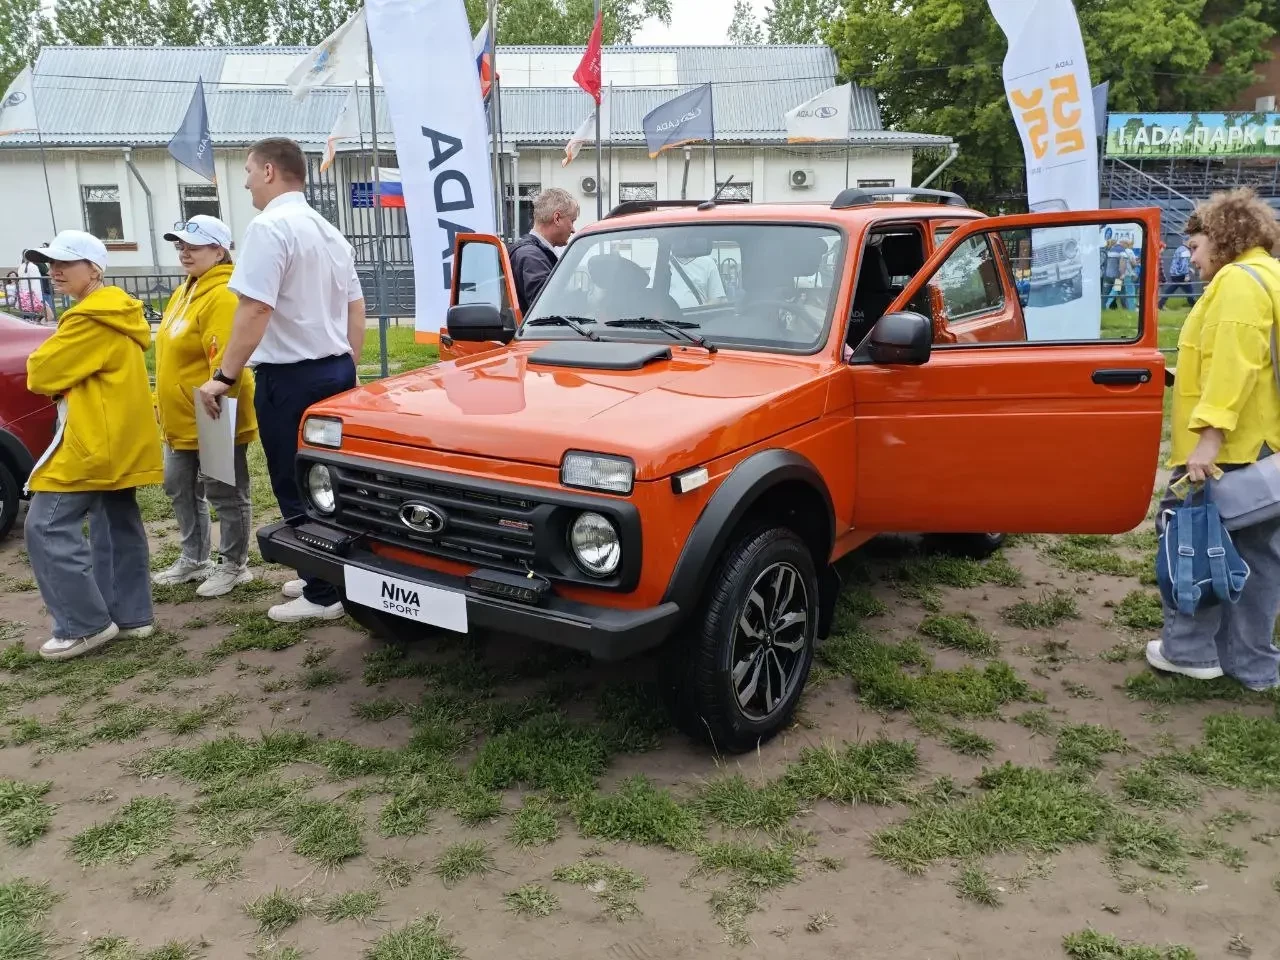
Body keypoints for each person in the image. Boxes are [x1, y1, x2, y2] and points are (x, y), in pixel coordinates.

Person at [195, 137, 365, 624]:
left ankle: (321, 589)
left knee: (295, 481)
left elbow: (254, 308)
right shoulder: (328, 231)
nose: (246, 182)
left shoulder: (269, 227)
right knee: (331, 481)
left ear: (269, 171)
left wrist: (224, 376)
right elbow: (355, 307)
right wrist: (347, 365)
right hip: (334, 369)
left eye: (248, 172)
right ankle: (330, 572)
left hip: (290, 378)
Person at [1146, 188, 1280, 692]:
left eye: (1196, 246)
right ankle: (1253, 665)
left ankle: (1190, 651)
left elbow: (1233, 365)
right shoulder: (1270, 276)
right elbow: (1256, 363)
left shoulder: (1237, 282)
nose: (1191, 257)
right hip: (1264, 448)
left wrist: (1208, 440)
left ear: (1224, 238)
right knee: (1259, 558)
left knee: (1189, 540)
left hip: (1230, 451)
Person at [22, 230, 163, 661]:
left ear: (95, 269)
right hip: (116, 437)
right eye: (50, 262)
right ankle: (131, 615)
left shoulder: (89, 318)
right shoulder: (115, 311)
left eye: (66, 262)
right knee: (115, 522)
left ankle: (83, 625)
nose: (54, 270)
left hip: (91, 442)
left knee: (45, 526)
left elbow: (40, 373)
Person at [152, 215, 259, 598]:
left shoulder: (223, 294)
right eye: (180, 245)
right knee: (179, 487)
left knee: (225, 493)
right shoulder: (185, 291)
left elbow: (228, 357)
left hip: (214, 413)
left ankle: (234, 565)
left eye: (194, 246)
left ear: (219, 250)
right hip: (180, 418)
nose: (184, 252)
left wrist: (218, 400)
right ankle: (195, 558)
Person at [508, 188, 578, 313]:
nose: (573, 230)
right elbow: (548, 311)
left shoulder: (532, 253)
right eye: (572, 221)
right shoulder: (532, 257)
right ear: (557, 218)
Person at [668, 237, 727, 309]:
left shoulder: (708, 263)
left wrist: (696, 312)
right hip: (667, 315)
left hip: (699, 315)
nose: (684, 242)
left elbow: (717, 299)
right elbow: (656, 297)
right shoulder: (662, 264)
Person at [1160, 236, 1199, 309]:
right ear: (1187, 242)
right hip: (1181, 275)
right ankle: (1194, 306)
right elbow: (1184, 264)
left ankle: (1160, 303)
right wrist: (1187, 275)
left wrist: (1189, 269)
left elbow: (1178, 262)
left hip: (1174, 273)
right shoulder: (1186, 251)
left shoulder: (1179, 248)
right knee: (1190, 291)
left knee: (1171, 289)